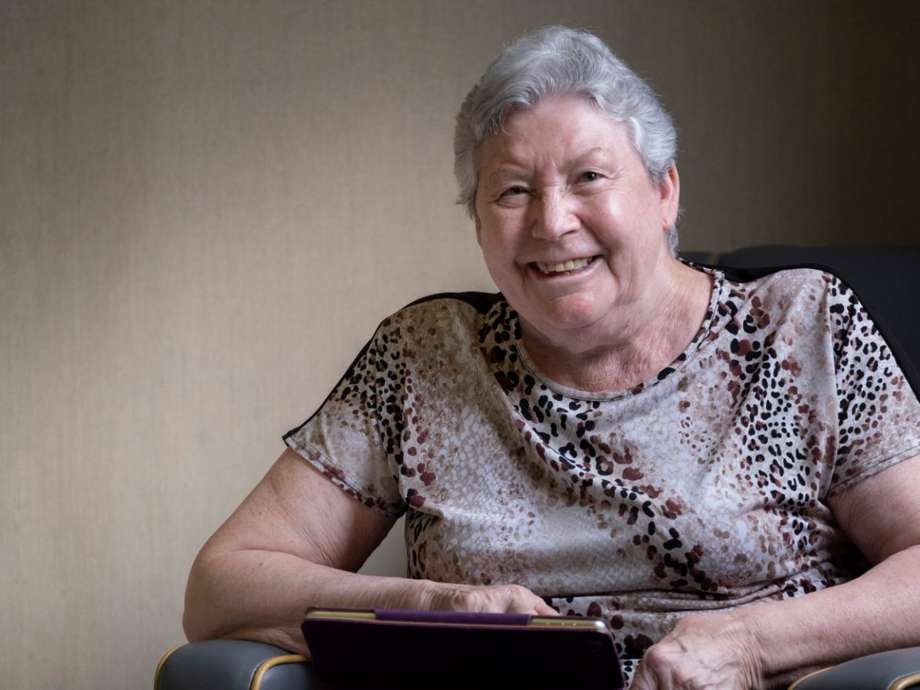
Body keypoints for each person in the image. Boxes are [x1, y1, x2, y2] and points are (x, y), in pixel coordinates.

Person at [183, 26, 920, 689]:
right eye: (511, 190)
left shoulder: (799, 326)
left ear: (665, 193)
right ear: (478, 223)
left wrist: (753, 643)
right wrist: (431, 605)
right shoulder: (425, 357)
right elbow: (221, 586)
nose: (552, 221)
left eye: (590, 177)